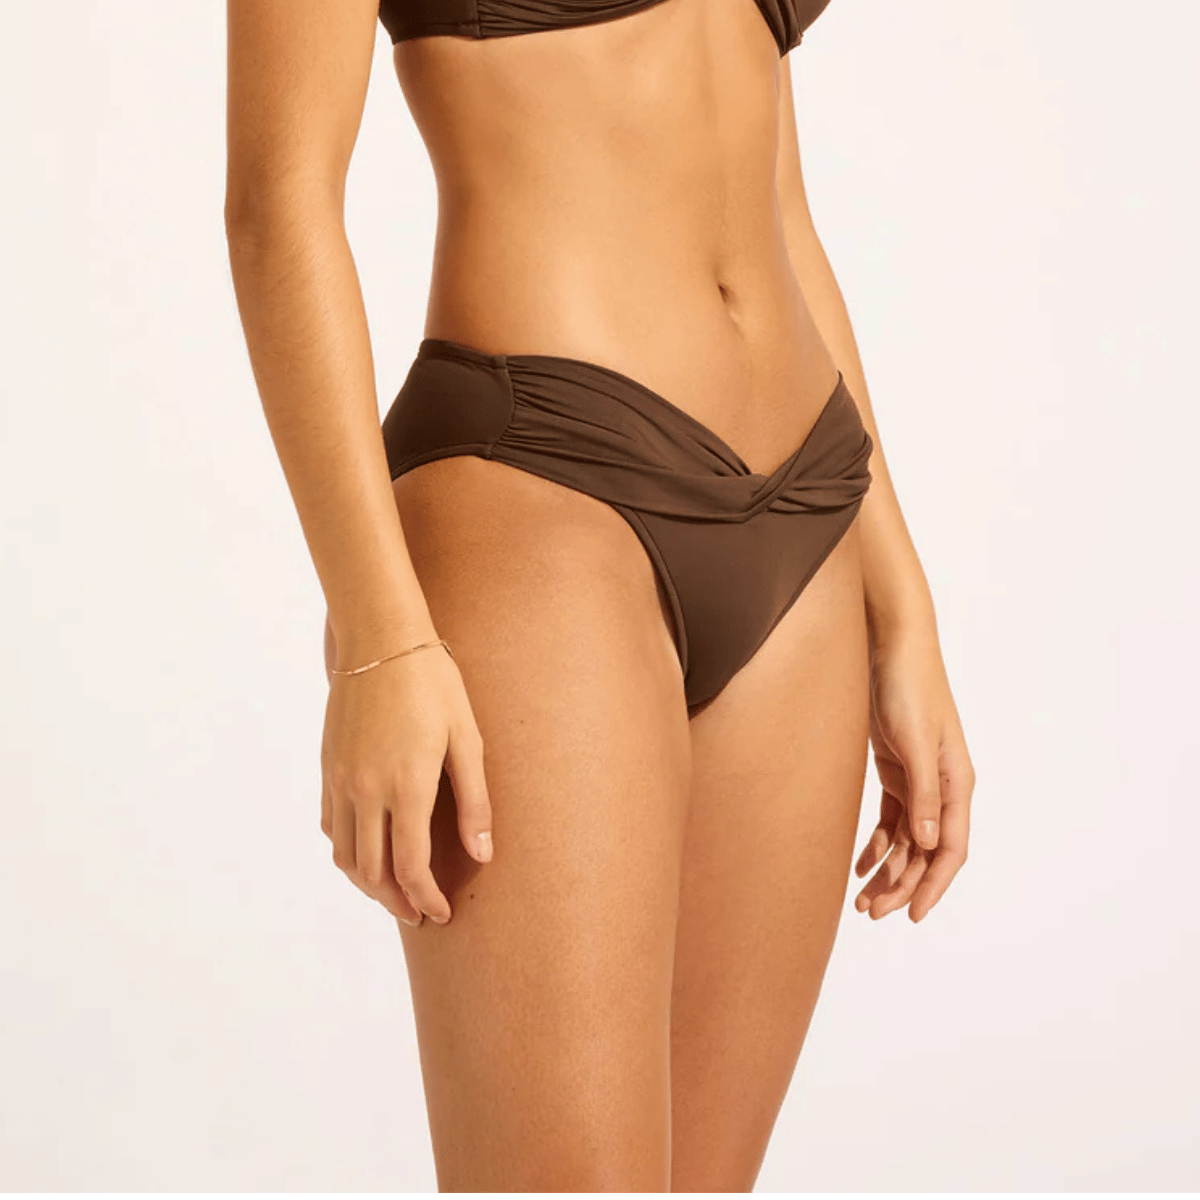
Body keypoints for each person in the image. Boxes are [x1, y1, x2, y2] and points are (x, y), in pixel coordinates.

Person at [224, 0, 975, 1189]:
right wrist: (379, 637)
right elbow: (279, 202)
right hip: (544, 493)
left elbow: (771, 188)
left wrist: (904, 601)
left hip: (809, 502)